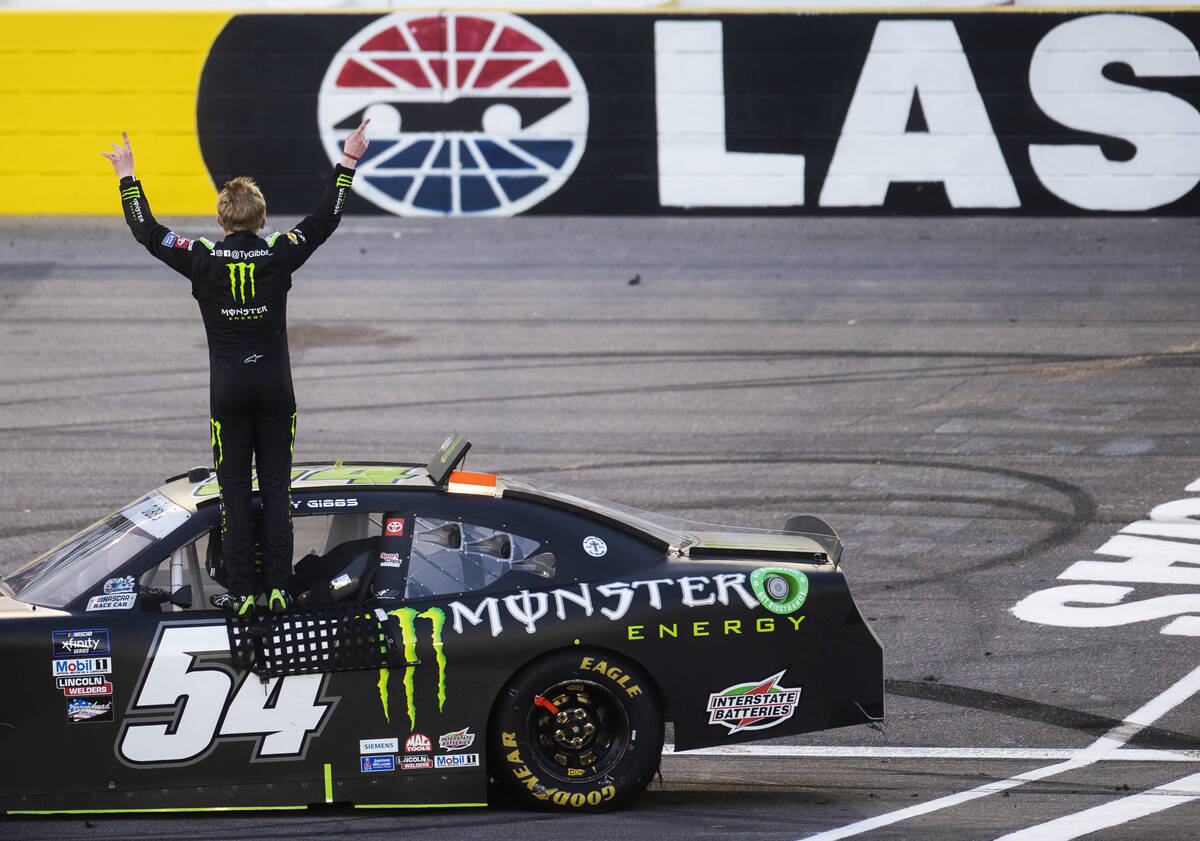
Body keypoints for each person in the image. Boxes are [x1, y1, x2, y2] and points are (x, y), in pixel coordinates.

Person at [102, 122, 370, 615]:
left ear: (222, 220)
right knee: (275, 488)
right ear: (262, 220)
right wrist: (347, 164)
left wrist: (128, 177)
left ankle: (244, 593)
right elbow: (323, 221)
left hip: (228, 392)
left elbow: (148, 233)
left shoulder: (202, 259)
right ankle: (277, 590)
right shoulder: (278, 253)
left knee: (233, 491)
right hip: (274, 391)